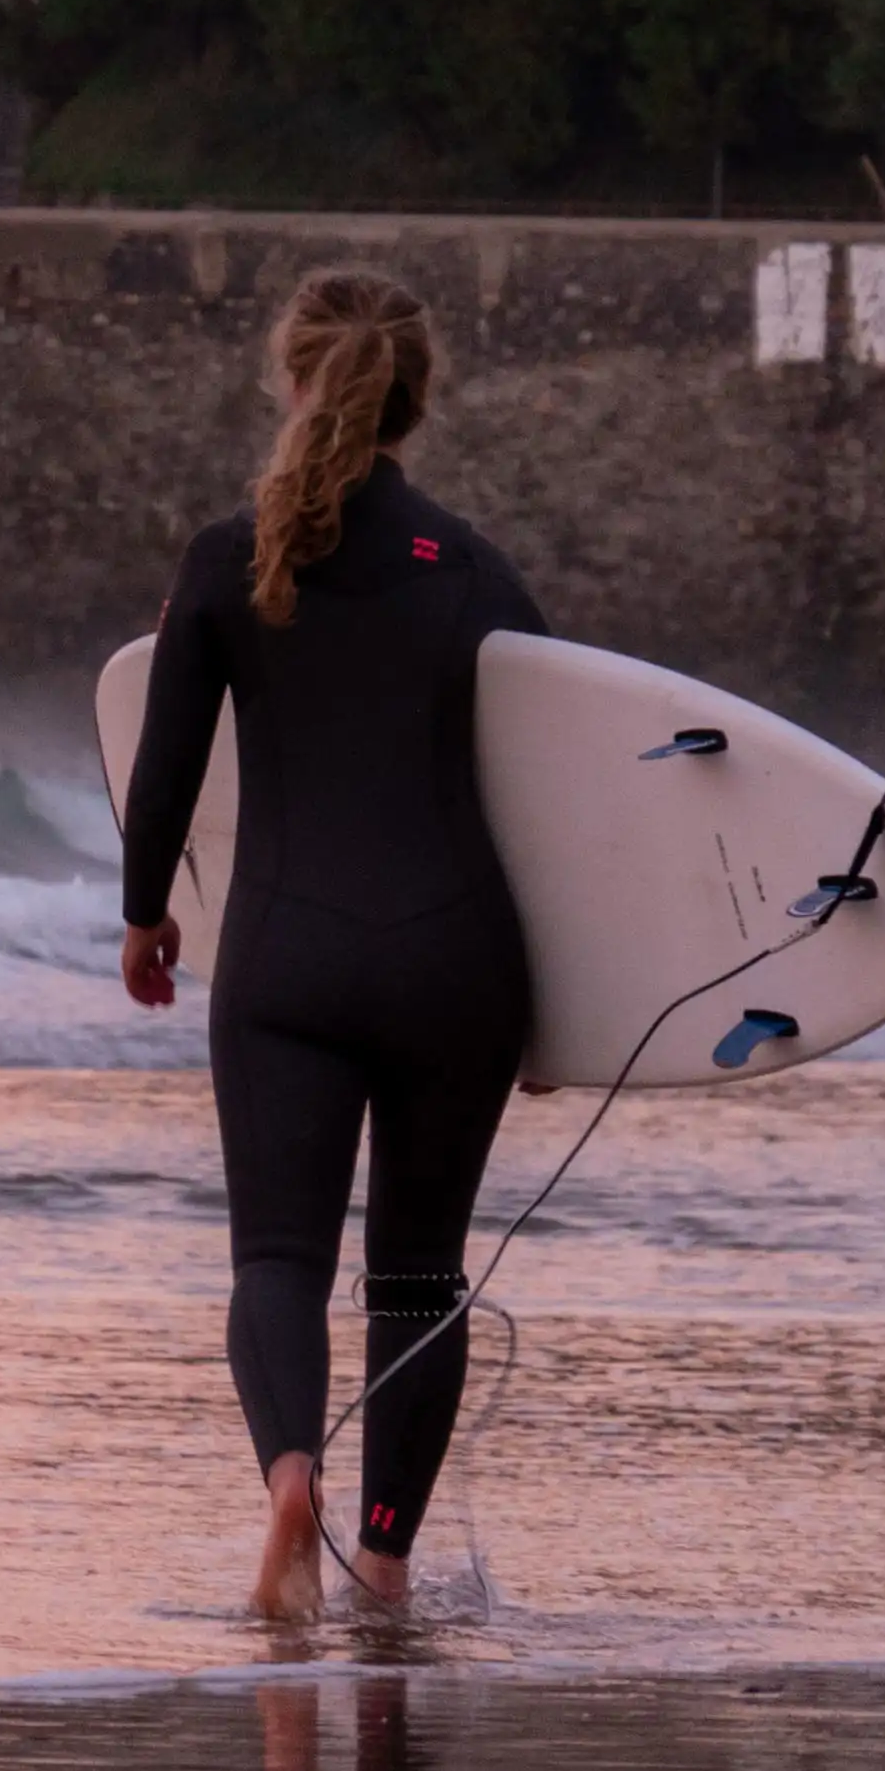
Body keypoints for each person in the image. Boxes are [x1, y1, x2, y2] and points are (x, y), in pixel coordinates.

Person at [117, 269, 546, 1623]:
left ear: (288, 379)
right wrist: (567, 1009)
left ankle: (290, 1477)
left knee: (279, 1263)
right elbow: (565, 792)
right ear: (416, 399)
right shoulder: (477, 574)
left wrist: (145, 921)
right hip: (455, 968)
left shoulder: (225, 560)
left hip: (287, 964)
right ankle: (385, 1567)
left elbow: (163, 778)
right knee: (417, 1273)